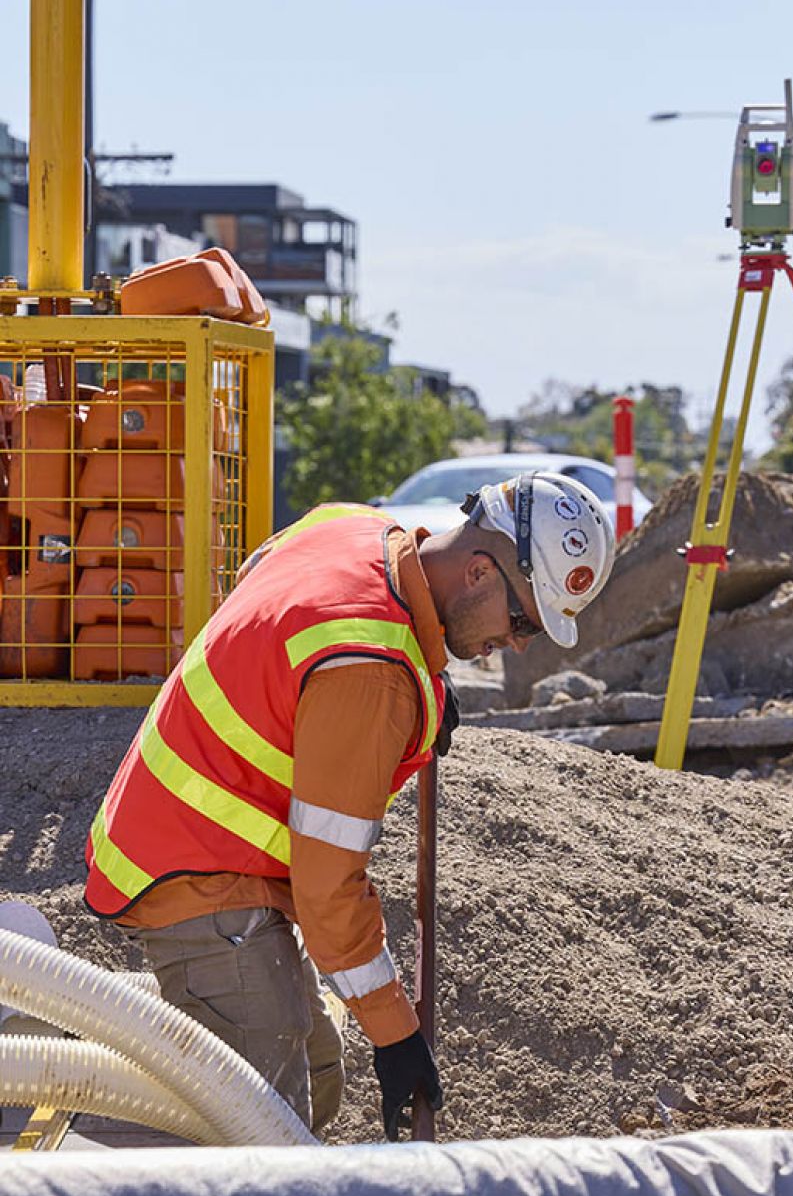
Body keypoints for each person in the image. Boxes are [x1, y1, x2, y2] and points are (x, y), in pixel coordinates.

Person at [84, 471, 616, 1140]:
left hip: (188, 831)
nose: (515, 645)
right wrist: (396, 1035)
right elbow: (329, 890)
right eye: (521, 622)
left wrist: (426, 668)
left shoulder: (353, 526)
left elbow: (263, 577)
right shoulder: (370, 674)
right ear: (480, 570)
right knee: (260, 1130)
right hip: (200, 868)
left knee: (320, 1073)